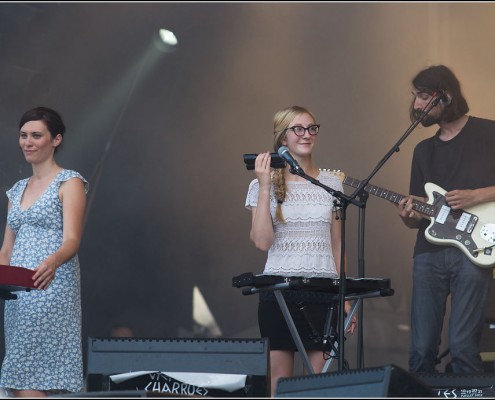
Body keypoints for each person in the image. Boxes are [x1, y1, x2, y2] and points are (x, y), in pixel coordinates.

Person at [245, 105, 357, 395]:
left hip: (322, 291)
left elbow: (337, 243)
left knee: (319, 387)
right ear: (283, 138)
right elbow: (262, 242)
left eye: (311, 128)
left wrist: (345, 297)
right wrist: (266, 185)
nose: (307, 134)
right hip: (279, 292)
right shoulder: (261, 185)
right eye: (298, 129)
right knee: (279, 386)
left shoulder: (332, 183)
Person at [397, 65, 495, 374]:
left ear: (446, 96)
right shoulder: (423, 150)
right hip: (429, 253)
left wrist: (476, 196)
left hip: (475, 251)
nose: (416, 105)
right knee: (421, 349)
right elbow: (419, 214)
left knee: (464, 347)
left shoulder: (489, 133)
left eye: (423, 96)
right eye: (415, 97)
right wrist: (409, 216)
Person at [0, 107, 88, 397]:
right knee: (18, 378)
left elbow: (72, 239)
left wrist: (51, 262)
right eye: (24, 135)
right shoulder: (16, 190)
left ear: (56, 140)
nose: (28, 142)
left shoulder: (69, 182)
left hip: (50, 286)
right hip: (16, 296)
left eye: (36, 135)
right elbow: (6, 248)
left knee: (25, 378)